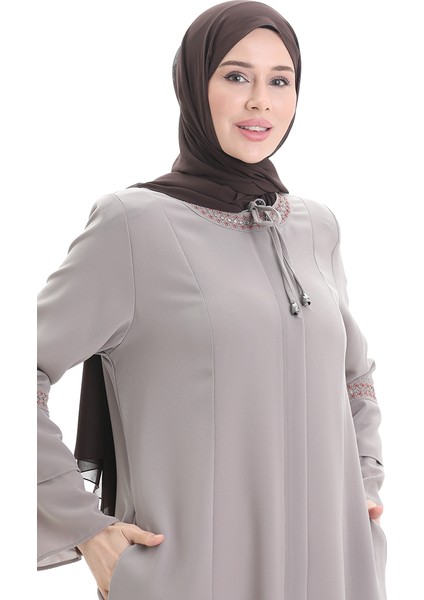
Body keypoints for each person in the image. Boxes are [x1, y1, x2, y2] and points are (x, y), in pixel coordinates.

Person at [37, 1, 387, 599]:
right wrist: (84, 528)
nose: (260, 102)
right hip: (197, 576)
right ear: (194, 87)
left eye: (280, 81)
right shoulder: (134, 224)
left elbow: (352, 376)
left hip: (332, 571)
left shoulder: (316, 227)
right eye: (236, 76)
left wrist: (365, 484)